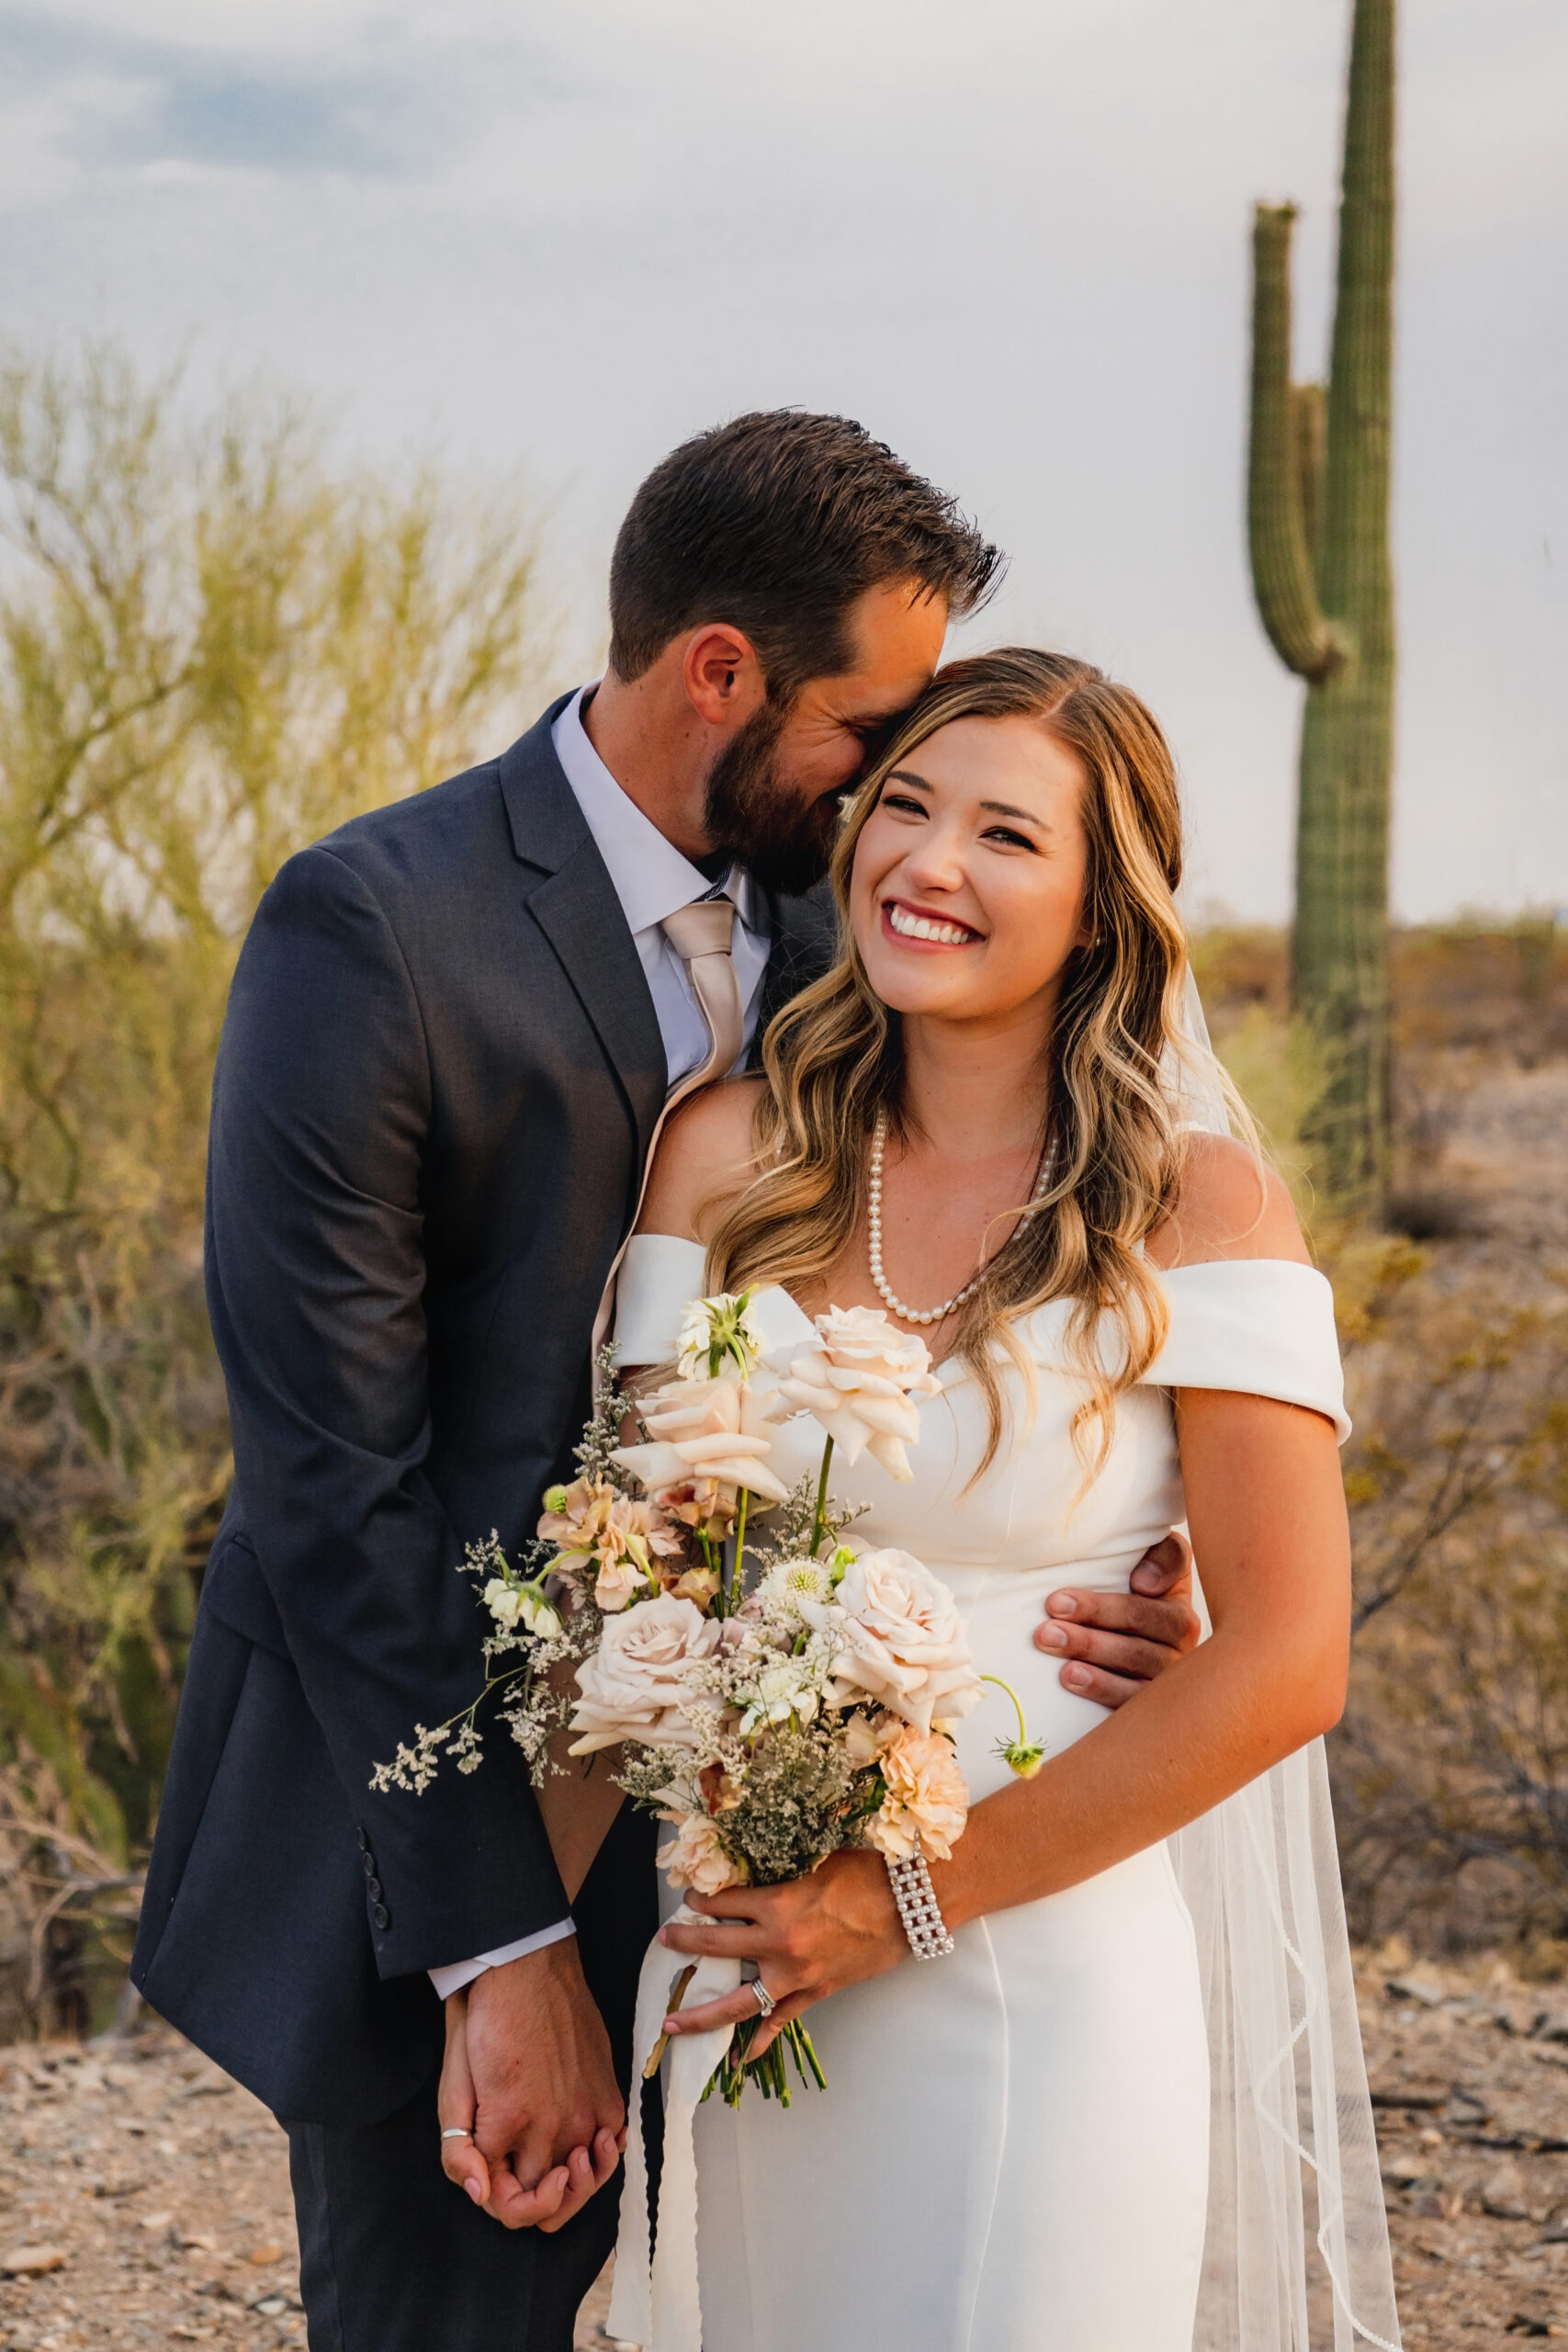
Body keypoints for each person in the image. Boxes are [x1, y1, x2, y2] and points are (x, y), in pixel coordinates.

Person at [130, 417, 1198, 2352]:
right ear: (719, 670)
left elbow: (987, 1253)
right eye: (867, 734)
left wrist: (1119, 1535)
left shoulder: (843, 926)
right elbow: (330, 1491)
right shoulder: (372, 930)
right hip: (434, 1832)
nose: (896, 793)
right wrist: (499, 1944)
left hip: (787, 1839)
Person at [579, 647, 1403, 2350]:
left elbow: (1288, 1657)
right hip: (753, 1955)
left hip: (1041, 1970)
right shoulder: (728, 1155)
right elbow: (640, 1554)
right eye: (906, 807)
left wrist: (900, 1901)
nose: (928, 862)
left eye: (1007, 834)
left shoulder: (1200, 1208)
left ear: (1102, 911)